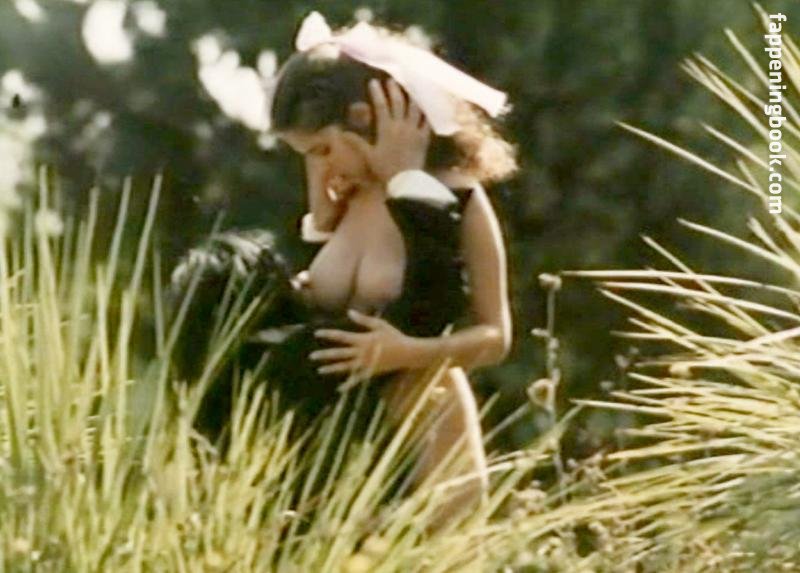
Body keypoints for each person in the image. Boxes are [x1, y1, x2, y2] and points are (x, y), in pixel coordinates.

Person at [171, 11, 517, 531]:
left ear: (365, 118)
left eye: (325, 150)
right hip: (338, 442)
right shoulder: (349, 202)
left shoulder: (456, 195)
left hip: (422, 417)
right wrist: (322, 210)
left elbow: (496, 336)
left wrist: (405, 352)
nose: (324, 165)